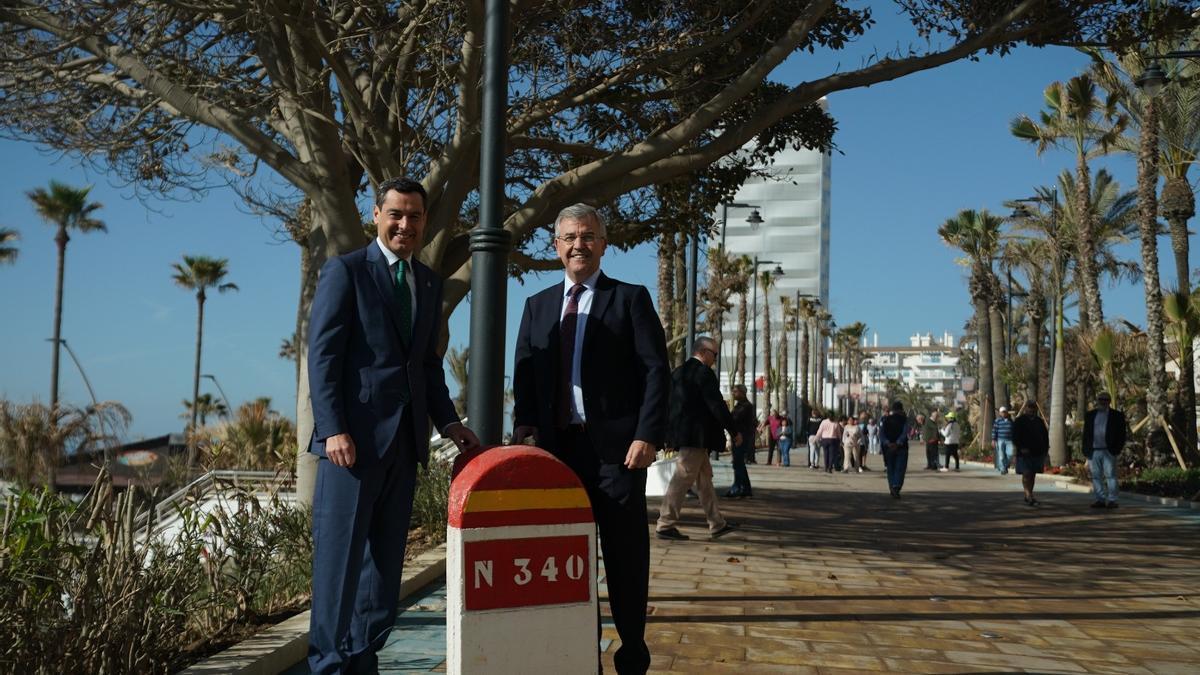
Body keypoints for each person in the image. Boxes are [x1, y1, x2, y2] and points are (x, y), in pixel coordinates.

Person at [306, 177, 481, 674]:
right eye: (397, 215)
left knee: (382, 578)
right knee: (338, 571)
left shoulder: (425, 282)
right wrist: (333, 427)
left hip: (405, 448)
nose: (406, 225)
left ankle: (363, 661)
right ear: (377, 215)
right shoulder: (346, 272)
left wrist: (449, 423)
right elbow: (323, 357)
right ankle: (327, 665)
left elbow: (425, 366)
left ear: (425, 222)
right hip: (351, 448)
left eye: (415, 217)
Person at [512, 203, 669, 674]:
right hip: (556, 455)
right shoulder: (536, 306)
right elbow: (524, 376)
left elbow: (656, 373)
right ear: (556, 246)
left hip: (617, 456)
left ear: (603, 243)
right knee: (564, 558)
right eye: (569, 237)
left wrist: (646, 435)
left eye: (588, 236)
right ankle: (580, 653)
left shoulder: (630, 298)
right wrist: (525, 429)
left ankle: (632, 653)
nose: (578, 244)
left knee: (624, 557)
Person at [656, 337, 740, 541]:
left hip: (685, 436)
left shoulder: (677, 372)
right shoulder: (703, 373)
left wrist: (668, 435)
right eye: (715, 354)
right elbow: (716, 405)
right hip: (696, 436)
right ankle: (665, 523)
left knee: (704, 480)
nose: (715, 359)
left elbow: (668, 406)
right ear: (703, 351)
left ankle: (717, 523)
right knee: (683, 477)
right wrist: (733, 430)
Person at [1083, 391, 1127, 509]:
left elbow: (1122, 434)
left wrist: (1117, 449)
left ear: (1109, 402)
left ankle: (1112, 500)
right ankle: (1100, 499)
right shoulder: (1090, 415)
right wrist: (1086, 451)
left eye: (1106, 399)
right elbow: (1086, 434)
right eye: (1101, 399)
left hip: (1109, 451)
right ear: (1097, 401)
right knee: (1096, 476)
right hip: (1094, 451)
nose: (1103, 402)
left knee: (1111, 475)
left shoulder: (1117, 416)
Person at [1011, 400, 1049, 507]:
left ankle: (1029, 494)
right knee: (1026, 473)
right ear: (1025, 408)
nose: (1031, 409)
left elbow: (1045, 437)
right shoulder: (1019, 421)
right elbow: (1015, 436)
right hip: (1024, 452)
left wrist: (1045, 451)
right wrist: (1021, 447)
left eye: (1033, 407)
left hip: (1037, 452)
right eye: (1029, 407)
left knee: (1033, 474)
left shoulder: (1039, 421)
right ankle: (1028, 495)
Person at [727, 384, 756, 498]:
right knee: (738, 464)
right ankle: (744, 488)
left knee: (738, 463)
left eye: (735, 392)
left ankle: (738, 488)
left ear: (742, 393)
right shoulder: (739, 405)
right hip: (737, 437)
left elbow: (735, 418)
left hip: (742, 438)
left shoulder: (746, 406)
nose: (733, 394)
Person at [879, 401, 911, 498]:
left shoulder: (885, 419)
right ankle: (896, 486)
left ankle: (892, 486)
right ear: (901, 410)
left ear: (893, 410)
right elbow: (905, 432)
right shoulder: (904, 420)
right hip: (901, 447)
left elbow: (881, 433)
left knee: (891, 468)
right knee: (900, 468)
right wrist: (898, 443)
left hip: (888, 448)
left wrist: (888, 443)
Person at [992, 405, 1015, 475]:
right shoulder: (997, 421)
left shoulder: (1011, 421)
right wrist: (993, 440)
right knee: (1001, 456)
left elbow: (1014, 430)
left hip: (1009, 440)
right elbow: (994, 430)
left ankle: (1005, 465)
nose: (1003, 413)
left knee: (1010, 454)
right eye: (1002, 412)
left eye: (1004, 412)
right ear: (1000, 413)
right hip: (1000, 440)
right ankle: (1003, 469)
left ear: (1007, 413)